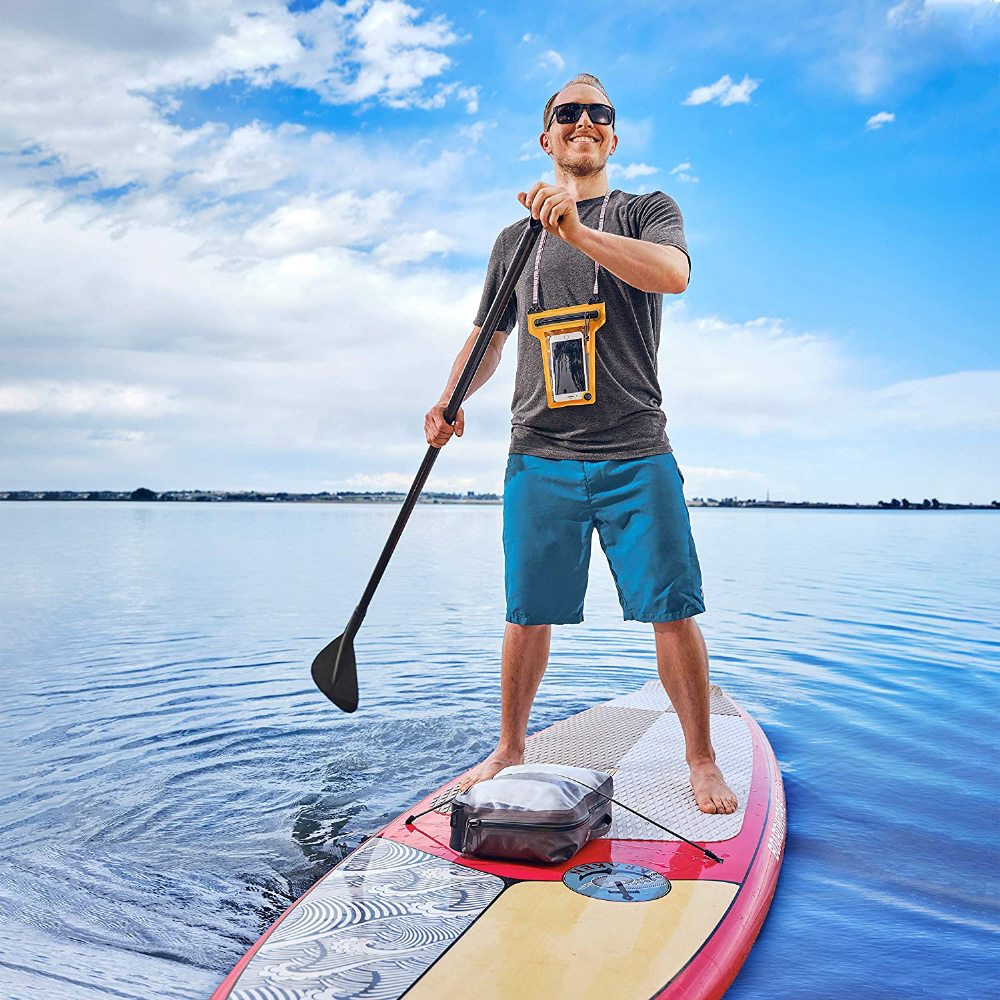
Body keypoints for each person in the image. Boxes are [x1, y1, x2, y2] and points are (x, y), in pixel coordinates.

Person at [424, 73, 737, 814]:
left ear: (613, 138)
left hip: (635, 451)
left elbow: (673, 275)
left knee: (672, 609)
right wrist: (449, 398)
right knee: (526, 612)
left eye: (600, 113)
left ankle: (700, 758)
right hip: (539, 453)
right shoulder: (514, 238)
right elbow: (488, 335)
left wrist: (579, 232)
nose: (584, 121)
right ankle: (510, 746)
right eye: (569, 112)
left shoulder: (644, 209)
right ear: (548, 136)